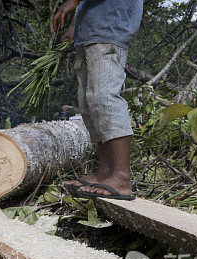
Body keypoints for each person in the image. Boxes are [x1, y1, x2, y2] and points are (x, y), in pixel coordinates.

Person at [53, 0, 143, 200]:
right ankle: (104, 172)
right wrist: (74, 28)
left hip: (109, 30)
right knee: (89, 105)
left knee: (105, 99)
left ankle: (121, 177)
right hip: (89, 35)